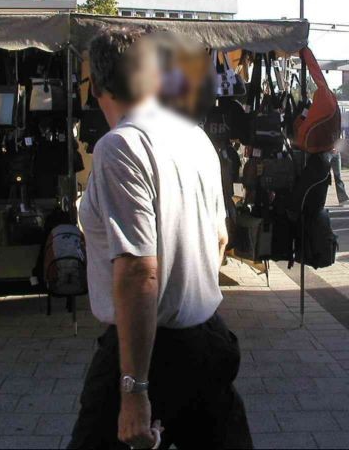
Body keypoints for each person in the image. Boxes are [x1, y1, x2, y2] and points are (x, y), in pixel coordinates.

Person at [69, 29, 252, 450]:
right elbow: (220, 239)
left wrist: (134, 390)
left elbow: (138, 271)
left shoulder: (121, 146)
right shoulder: (195, 136)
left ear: (95, 85)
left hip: (152, 353)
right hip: (206, 341)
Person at [330, 136, 349, 206]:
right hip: (327, 153)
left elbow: (342, 139)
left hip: (336, 154)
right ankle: (320, 200)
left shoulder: (337, 127)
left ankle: (343, 200)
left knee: (338, 176)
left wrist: (338, 148)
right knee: (324, 178)